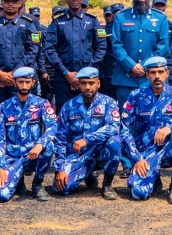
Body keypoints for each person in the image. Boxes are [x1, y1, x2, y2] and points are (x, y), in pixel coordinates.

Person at [120, 57, 172, 204]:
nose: (157, 76)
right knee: (138, 193)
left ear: (167, 73)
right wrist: (136, 158)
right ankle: (154, 179)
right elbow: (124, 128)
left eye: (160, 72)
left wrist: (171, 127)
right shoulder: (136, 96)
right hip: (147, 151)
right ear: (147, 75)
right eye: (153, 72)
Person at [52, 67, 123, 199]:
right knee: (60, 188)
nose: (87, 87)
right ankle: (87, 173)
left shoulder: (109, 103)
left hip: (100, 153)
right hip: (77, 155)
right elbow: (60, 139)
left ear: (98, 83)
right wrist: (59, 169)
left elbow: (114, 127)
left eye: (91, 83)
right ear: (78, 84)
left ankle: (107, 185)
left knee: (115, 142)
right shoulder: (69, 106)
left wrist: (87, 139)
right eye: (83, 83)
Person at [0, 67, 58, 202]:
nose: (24, 85)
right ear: (15, 82)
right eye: (20, 82)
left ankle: (37, 184)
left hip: (32, 156)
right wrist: (0, 167)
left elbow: (54, 126)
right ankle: (18, 180)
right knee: (1, 196)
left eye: (27, 82)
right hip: (12, 158)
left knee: (48, 146)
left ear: (33, 83)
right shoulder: (4, 107)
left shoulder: (42, 104)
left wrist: (40, 144)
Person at [44, 0, 107, 113]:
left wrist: (86, 72)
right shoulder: (57, 22)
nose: (74, 0)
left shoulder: (93, 21)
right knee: (64, 114)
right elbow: (50, 49)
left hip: (88, 79)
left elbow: (101, 47)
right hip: (63, 79)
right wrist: (66, 73)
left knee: (90, 113)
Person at [109, 0, 171, 107]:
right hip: (125, 79)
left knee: (154, 119)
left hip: (152, 79)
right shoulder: (121, 17)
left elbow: (163, 46)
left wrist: (144, 66)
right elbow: (116, 45)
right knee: (126, 120)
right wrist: (131, 66)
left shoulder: (160, 18)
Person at [0, 0, 42, 108]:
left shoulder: (28, 25)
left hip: (20, 79)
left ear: (19, 4)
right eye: (7, 1)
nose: (10, 4)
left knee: (20, 113)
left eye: (13, 1)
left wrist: (13, 73)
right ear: (2, 3)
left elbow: (33, 50)